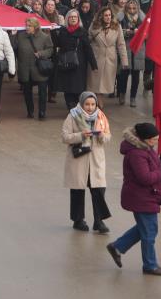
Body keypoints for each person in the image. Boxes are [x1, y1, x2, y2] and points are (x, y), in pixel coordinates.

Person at [106, 122, 161, 276]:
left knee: (146, 228)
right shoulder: (137, 153)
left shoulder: (145, 148)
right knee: (149, 232)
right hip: (141, 197)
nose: (156, 142)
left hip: (145, 196)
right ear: (145, 139)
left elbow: (154, 166)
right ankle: (150, 265)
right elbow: (145, 177)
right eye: (154, 139)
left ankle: (117, 247)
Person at [61, 91, 111, 233]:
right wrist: (80, 136)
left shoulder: (101, 116)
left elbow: (108, 136)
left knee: (99, 190)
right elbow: (65, 137)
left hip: (96, 160)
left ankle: (99, 221)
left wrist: (101, 136)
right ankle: (78, 220)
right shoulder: (73, 116)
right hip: (79, 159)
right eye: (87, 104)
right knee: (77, 190)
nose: (90, 107)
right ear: (82, 104)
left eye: (93, 104)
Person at [15, 17, 54, 120]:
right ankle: (30, 111)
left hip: (39, 68)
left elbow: (50, 49)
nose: (27, 28)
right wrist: (12, 36)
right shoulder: (20, 36)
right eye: (26, 25)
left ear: (35, 27)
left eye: (29, 26)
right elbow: (14, 48)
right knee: (27, 92)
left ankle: (42, 112)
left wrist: (41, 53)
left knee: (42, 93)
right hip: (25, 69)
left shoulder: (44, 37)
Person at [87, 7, 127, 101]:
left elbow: (121, 44)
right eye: (106, 15)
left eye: (109, 15)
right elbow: (87, 40)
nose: (108, 17)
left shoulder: (117, 26)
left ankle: (98, 99)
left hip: (110, 57)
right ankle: (98, 101)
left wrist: (124, 61)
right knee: (95, 82)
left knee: (105, 83)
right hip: (96, 57)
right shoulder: (94, 26)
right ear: (101, 16)